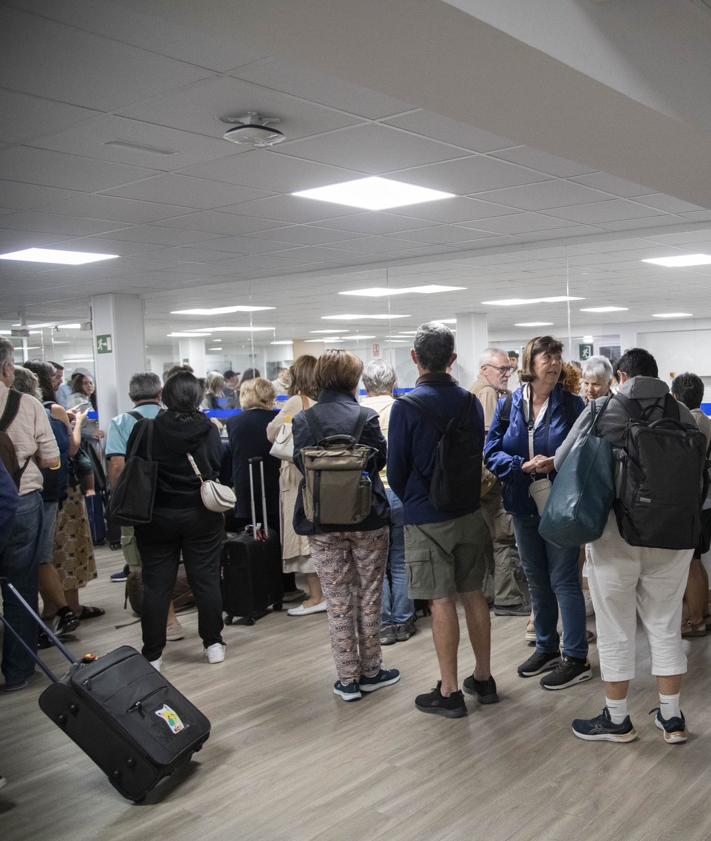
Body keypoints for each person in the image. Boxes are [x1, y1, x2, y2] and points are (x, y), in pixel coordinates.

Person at [556, 350, 699, 743]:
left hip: (615, 534)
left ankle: (617, 719)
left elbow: (564, 458)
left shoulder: (603, 409)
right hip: (672, 536)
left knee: (615, 626)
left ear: (620, 375)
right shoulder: (684, 414)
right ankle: (671, 719)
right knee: (665, 624)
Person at [388, 323, 495, 718]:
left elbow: (395, 470)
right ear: (452, 360)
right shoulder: (470, 402)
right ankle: (483, 678)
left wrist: (417, 497)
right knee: (474, 594)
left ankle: (449, 691)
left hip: (425, 516)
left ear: (415, 358)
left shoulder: (405, 407)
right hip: (469, 511)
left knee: (440, 600)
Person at [293, 349, 399, 702]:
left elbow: (300, 465)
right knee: (370, 593)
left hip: (321, 519)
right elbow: (380, 459)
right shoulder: (365, 417)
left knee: (337, 600)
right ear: (354, 380)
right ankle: (372, 671)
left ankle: (347, 679)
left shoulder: (304, 421)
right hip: (367, 516)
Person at [485, 335, 589, 691]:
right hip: (522, 501)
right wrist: (520, 465)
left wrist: (554, 463)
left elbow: (584, 453)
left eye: (557, 355)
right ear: (530, 362)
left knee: (563, 579)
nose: (554, 362)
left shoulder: (572, 405)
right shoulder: (509, 404)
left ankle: (575, 656)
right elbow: (491, 451)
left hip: (560, 504)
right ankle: (546, 647)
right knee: (536, 579)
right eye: (546, 355)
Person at [127, 371, 226, 670]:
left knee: (157, 584)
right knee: (206, 580)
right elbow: (217, 465)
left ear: (164, 396)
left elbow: (136, 466)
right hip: (201, 514)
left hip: (156, 515)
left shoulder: (146, 428)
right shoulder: (208, 429)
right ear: (198, 397)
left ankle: (153, 654)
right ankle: (213, 644)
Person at [105, 372, 184, 640]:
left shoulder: (121, 422)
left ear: (130, 396)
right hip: (175, 499)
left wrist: (121, 500)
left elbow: (117, 466)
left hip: (140, 503)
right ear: (160, 393)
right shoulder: (172, 418)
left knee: (144, 564)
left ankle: (167, 621)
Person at [0, 338, 59, 691]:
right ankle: (19, 670)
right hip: (21, 501)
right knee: (19, 587)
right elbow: (51, 459)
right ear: (7, 368)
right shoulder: (27, 404)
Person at [14, 365, 84, 643]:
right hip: (47, 491)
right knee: (42, 556)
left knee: (35, 558)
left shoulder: (39, 412)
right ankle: (60, 610)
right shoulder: (46, 412)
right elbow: (57, 455)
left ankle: (60, 611)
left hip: (29, 494)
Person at [227, 377, 303, 603]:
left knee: (253, 534)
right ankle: (285, 586)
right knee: (278, 537)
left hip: (245, 485)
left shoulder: (234, 423)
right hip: (274, 485)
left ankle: (256, 586)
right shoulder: (275, 420)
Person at [470, 348, 528, 617]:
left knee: (491, 539)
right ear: (484, 369)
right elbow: (490, 443)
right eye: (501, 369)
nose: (507, 374)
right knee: (504, 538)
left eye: (509, 369)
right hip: (492, 481)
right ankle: (508, 598)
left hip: (480, 482)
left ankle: (493, 594)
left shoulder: (477, 391)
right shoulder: (488, 394)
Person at [361, 358, 415, 644]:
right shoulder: (401, 409)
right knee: (401, 558)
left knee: (375, 564)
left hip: (370, 493)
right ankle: (404, 621)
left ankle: (382, 624)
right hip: (400, 490)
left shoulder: (359, 412)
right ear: (393, 383)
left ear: (365, 385)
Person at [266, 356, 326, 615]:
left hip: (296, 475)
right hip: (319, 473)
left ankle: (316, 596)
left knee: (302, 536)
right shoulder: (325, 403)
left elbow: (272, 432)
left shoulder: (295, 402)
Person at [670, 372, 711, 638]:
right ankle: (703, 613)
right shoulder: (706, 420)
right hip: (706, 501)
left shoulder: (690, 422)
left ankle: (696, 620)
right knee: (697, 561)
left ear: (675, 397)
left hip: (694, 502)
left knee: (691, 562)